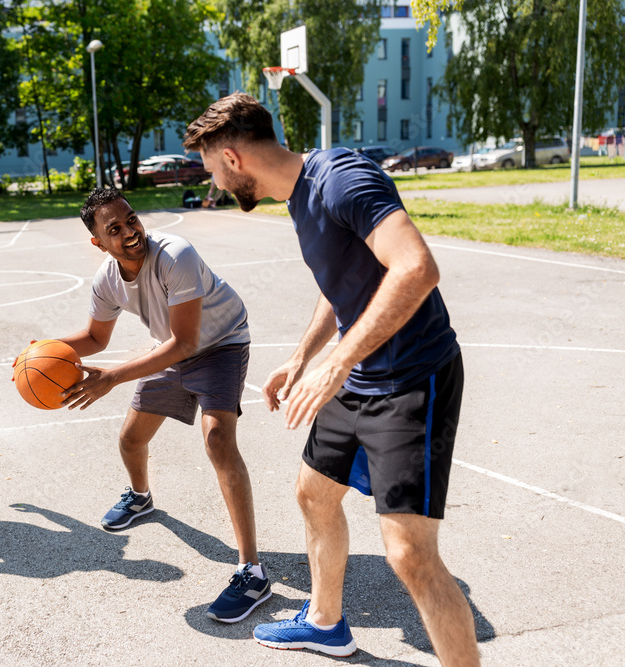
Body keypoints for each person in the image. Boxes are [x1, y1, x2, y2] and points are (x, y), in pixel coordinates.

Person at [183, 93, 479, 665]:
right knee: (314, 494)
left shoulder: (342, 177)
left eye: (212, 170)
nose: (214, 183)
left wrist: (337, 362)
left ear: (233, 157)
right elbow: (339, 277)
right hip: (359, 373)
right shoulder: (298, 198)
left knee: (409, 554)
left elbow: (417, 266)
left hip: (412, 377)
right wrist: (303, 357)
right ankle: (325, 622)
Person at [54, 187, 269, 623]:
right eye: (115, 229)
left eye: (131, 219)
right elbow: (96, 338)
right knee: (131, 440)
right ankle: (140, 497)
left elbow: (187, 340)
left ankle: (252, 571)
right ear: (99, 242)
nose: (131, 232)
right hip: (170, 351)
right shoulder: (107, 280)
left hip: (220, 344)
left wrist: (112, 378)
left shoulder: (176, 254)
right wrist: (39, 350)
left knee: (218, 440)